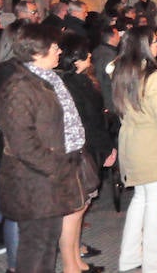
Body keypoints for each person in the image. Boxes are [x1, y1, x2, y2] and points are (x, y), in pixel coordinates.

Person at [0, 24, 99, 273]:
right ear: (35, 51)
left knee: (45, 249)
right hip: (34, 184)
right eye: (54, 47)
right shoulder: (20, 86)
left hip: (49, 181)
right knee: (35, 252)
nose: (59, 51)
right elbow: (23, 143)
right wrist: (59, 166)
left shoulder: (46, 80)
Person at [112, 27, 157, 273]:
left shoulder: (123, 71)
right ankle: (154, 262)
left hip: (132, 142)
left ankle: (130, 257)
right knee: (155, 203)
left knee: (141, 200)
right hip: (152, 145)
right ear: (143, 46)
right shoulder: (153, 75)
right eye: (154, 42)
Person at [57, 33, 115, 273]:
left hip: (87, 149)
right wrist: (107, 148)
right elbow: (89, 122)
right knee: (74, 210)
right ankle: (71, 265)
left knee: (81, 207)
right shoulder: (72, 84)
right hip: (82, 151)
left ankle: (77, 258)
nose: (90, 55)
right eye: (85, 52)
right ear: (76, 57)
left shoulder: (78, 80)